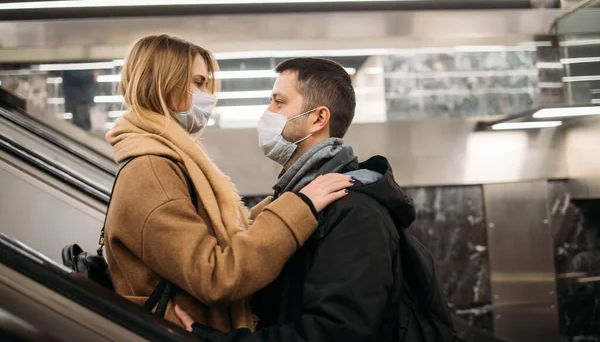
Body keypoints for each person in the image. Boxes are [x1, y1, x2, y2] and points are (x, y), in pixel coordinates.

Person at [176, 58, 454, 341]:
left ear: (319, 118)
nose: (267, 113)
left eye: (278, 102)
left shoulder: (354, 212)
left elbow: (334, 334)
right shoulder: (304, 201)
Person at [103, 36, 353, 331]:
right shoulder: (151, 171)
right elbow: (216, 277)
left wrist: (289, 197)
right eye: (197, 83)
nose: (207, 95)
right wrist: (298, 208)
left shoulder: (169, 160)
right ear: (164, 83)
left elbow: (227, 238)